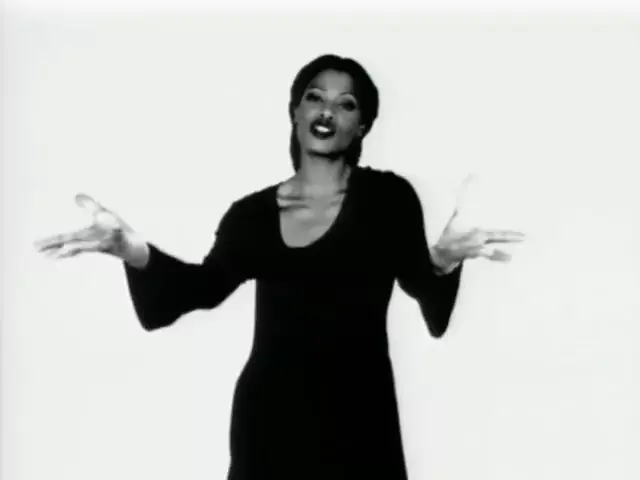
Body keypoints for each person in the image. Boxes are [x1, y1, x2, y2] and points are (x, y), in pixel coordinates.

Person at [35, 54, 524, 480]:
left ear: (363, 126)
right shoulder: (251, 215)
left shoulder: (389, 199)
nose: (327, 110)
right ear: (295, 111)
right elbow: (199, 289)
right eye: (315, 97)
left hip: (360, 422)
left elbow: (424, 290)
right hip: (268, 423)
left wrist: (444, 258)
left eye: (346, 104)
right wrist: (132, 250)